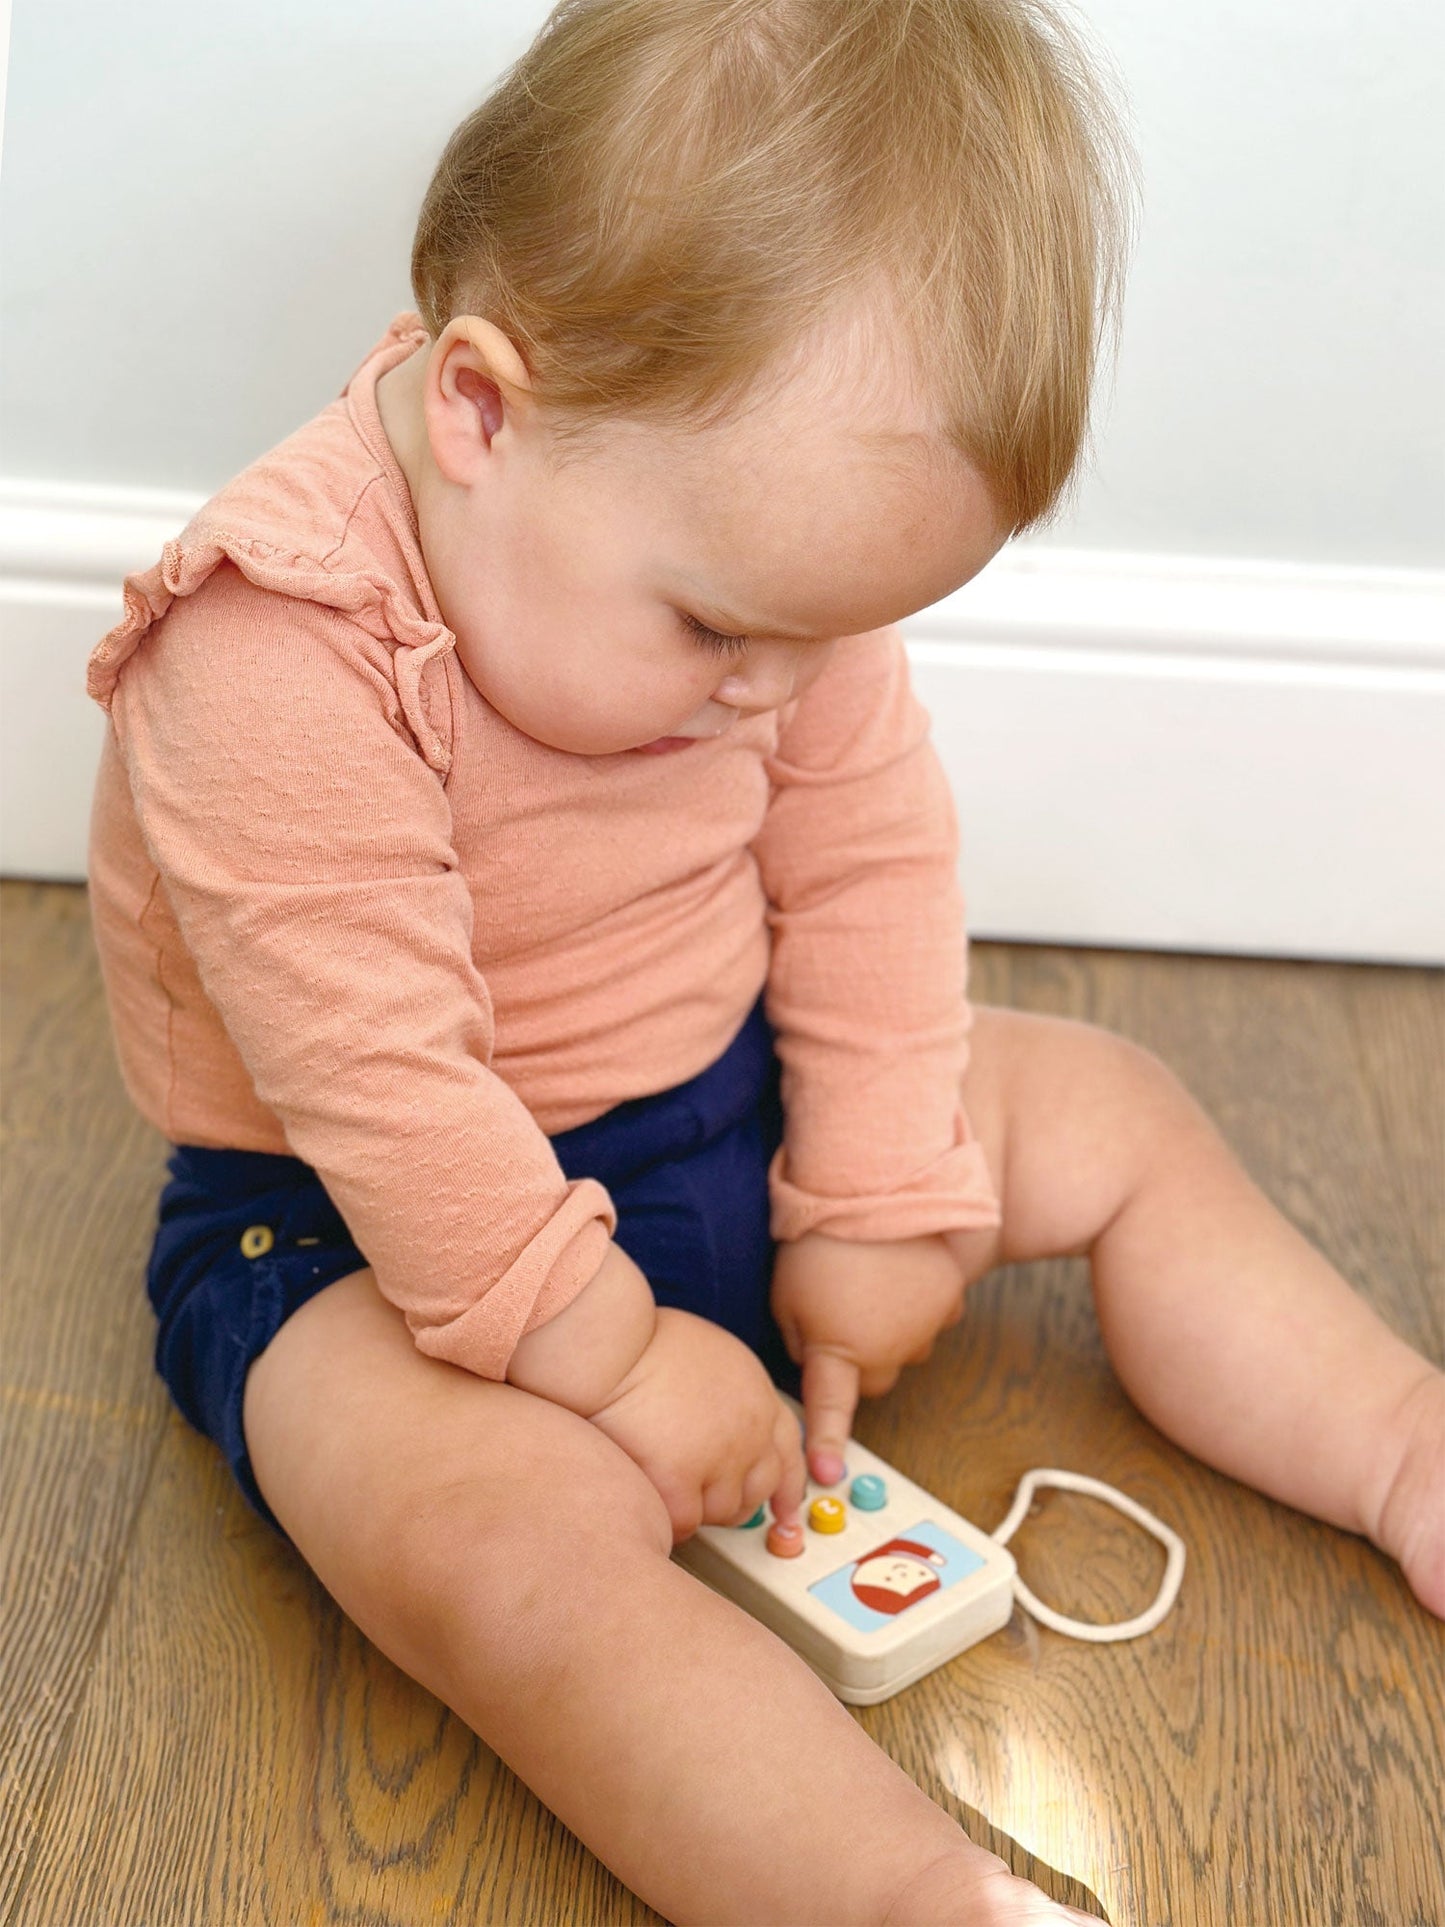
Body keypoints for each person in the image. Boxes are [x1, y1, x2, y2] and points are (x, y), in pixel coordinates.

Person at [84, 2, 1445, 1921]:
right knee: (498, 1553)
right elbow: (383, 1095)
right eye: (724, 629)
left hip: (728, 1089)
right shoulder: (269, 651)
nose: (779, 689)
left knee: (1111, 1112)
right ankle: (905, 1897)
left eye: (834, 631)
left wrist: (880, 1176)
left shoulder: (753, 593)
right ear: (480, 412)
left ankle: (1402, 1447)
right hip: (364, 1240)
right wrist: (611, 1355)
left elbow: (865, 857)